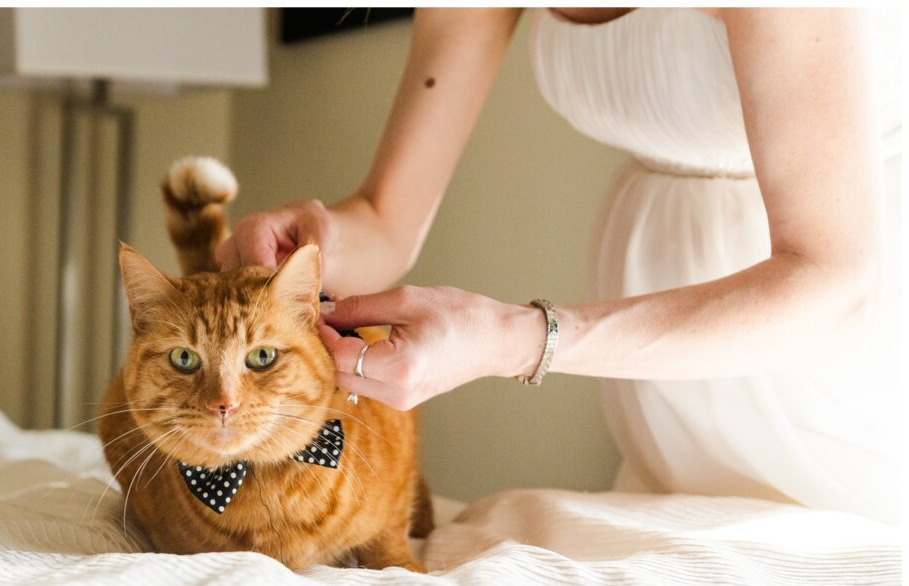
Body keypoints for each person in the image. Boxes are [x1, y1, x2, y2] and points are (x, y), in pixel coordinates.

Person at [217, 8, 901, 524]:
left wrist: (514, 338)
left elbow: (834, 288)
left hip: (826, 371)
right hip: (663, 396)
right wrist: (320, 241)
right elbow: (386, 219)